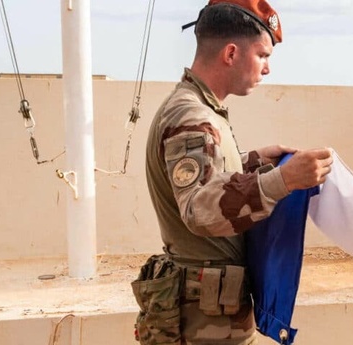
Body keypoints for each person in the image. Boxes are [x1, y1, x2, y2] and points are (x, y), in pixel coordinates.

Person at [136, 1, 333, 344]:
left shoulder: (202, 109)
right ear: (230, 53)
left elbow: (207, 177)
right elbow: (198, 208)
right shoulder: (191, 117)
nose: (267, 69)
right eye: (263, 55)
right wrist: (283, 180)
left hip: (211, 316)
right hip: (201, 326)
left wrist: (251, 162)